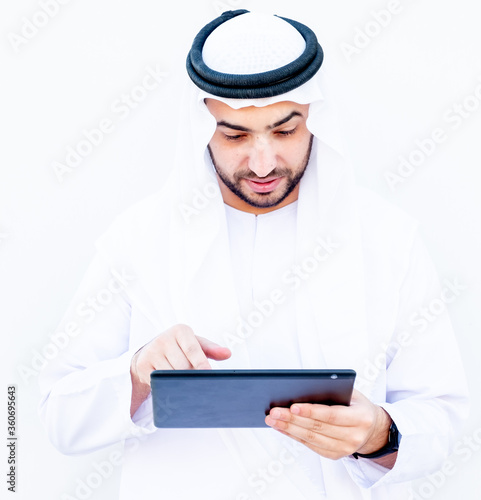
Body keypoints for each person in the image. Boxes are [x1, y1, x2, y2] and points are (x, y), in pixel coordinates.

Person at [39, 10, 469, 499]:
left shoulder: (387, 239)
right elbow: (58, 415)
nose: (262, 163)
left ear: (315, 120)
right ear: (203, 126)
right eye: (235, 135)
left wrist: (377, 434)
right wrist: (137, 372)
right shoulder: (139, 239)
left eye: (285, 132)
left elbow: (443, 416)